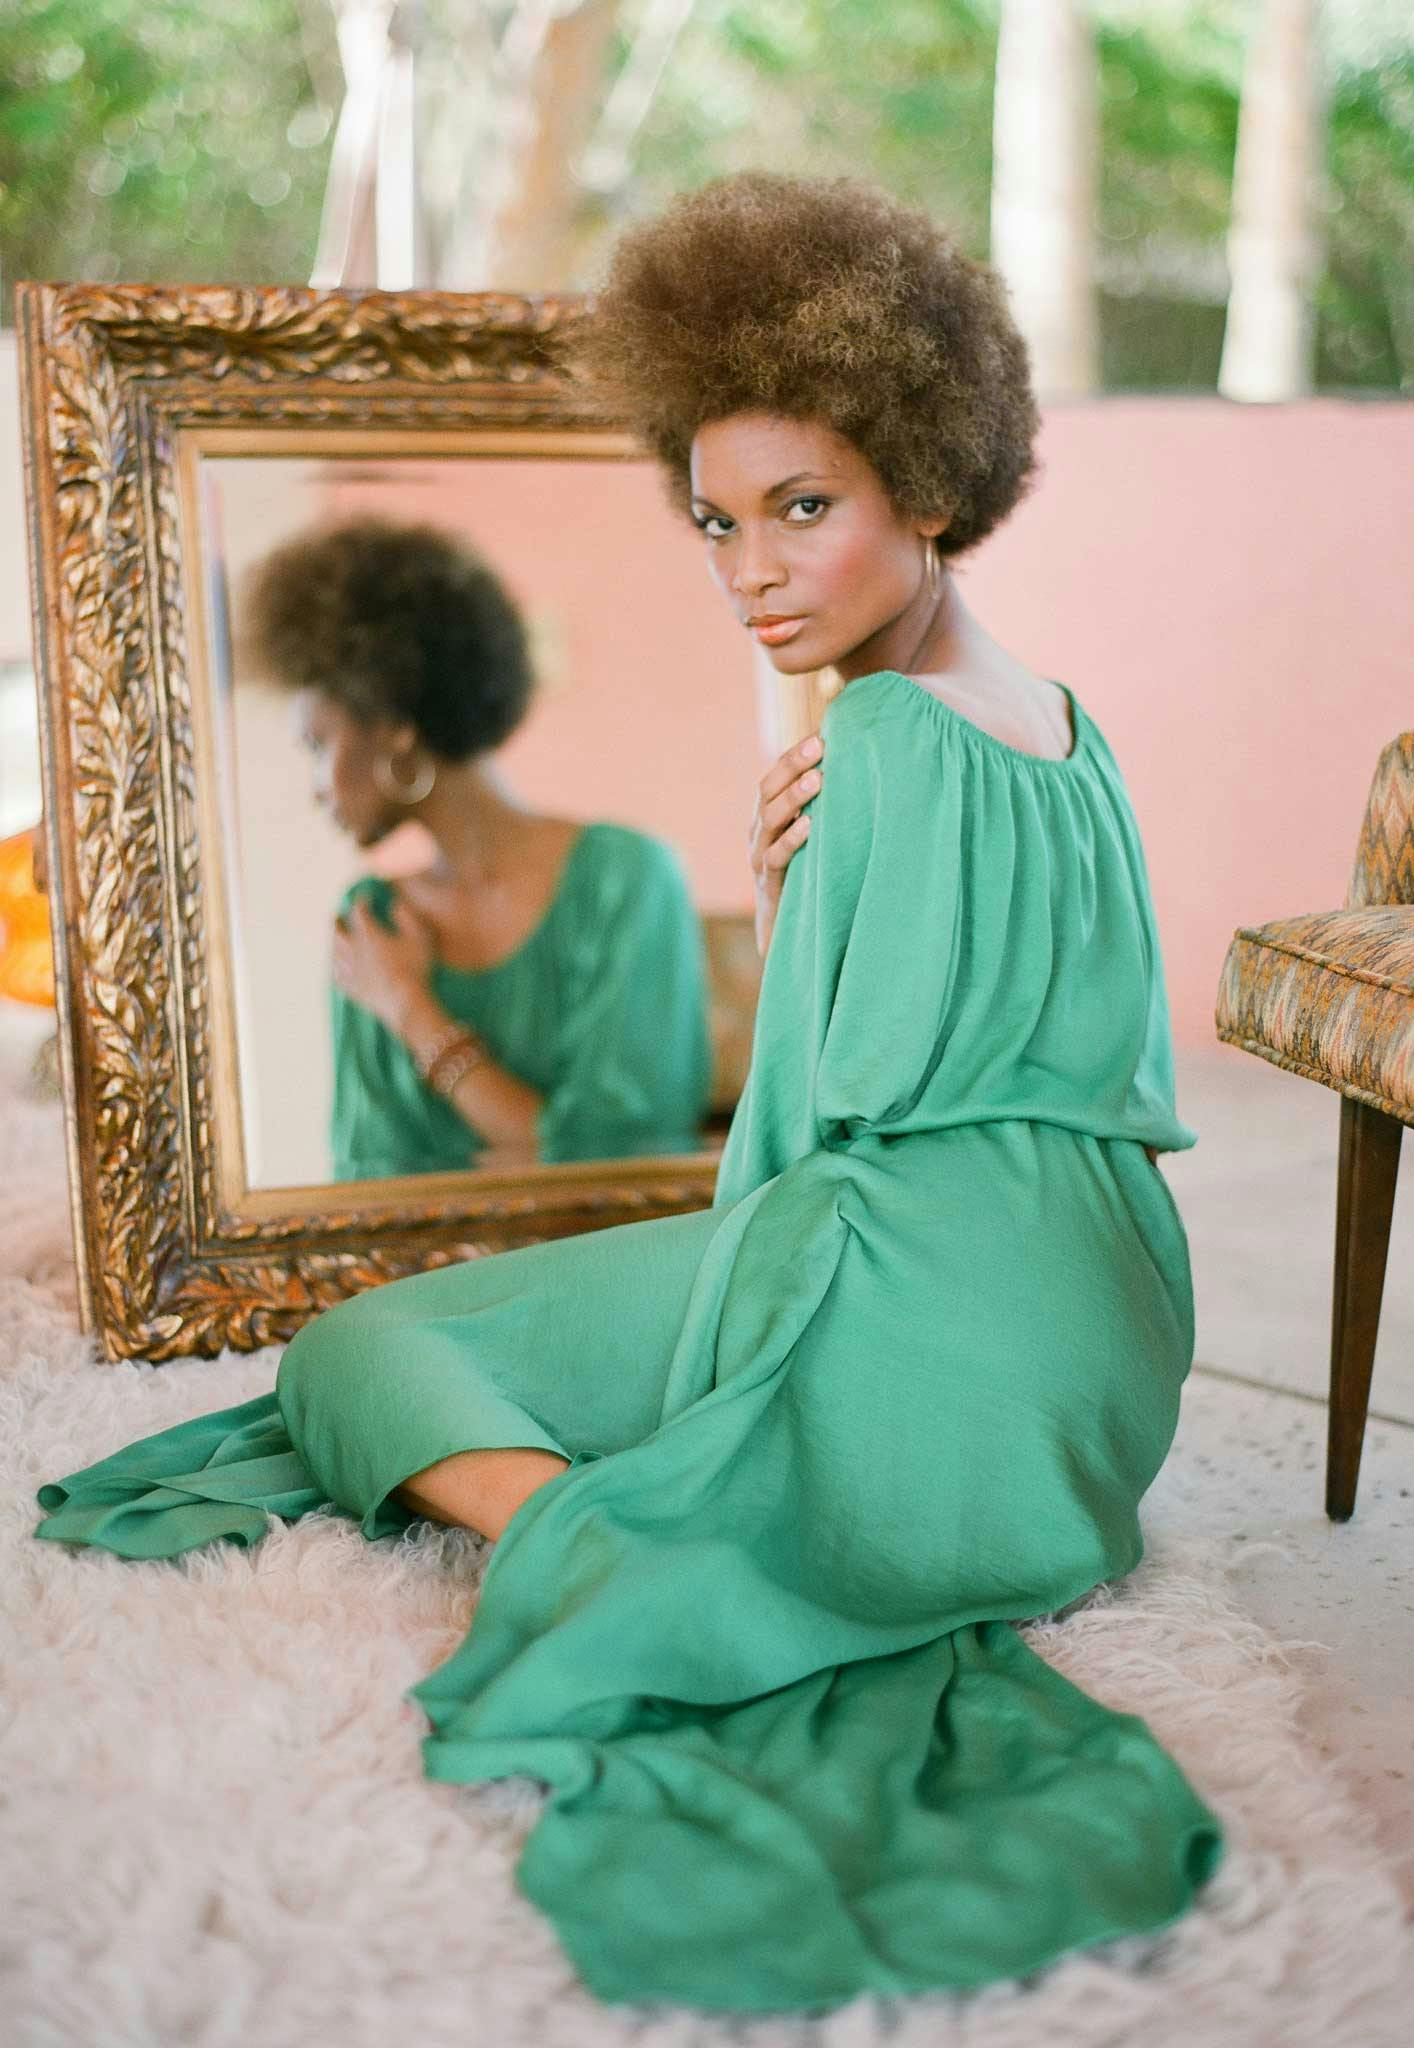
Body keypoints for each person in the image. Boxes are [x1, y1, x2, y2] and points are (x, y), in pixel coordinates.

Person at [36, 174, 1223, 2013]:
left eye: (803, 509)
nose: (751, 567)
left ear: (931, 477)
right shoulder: (1074, 725)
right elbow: (1114, 1058)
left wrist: (798, 880)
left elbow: (825, 1129)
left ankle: (622, 1527)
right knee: (633, 1329)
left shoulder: (880, 737)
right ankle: (724, 1485)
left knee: (363, 1352)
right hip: (1115, 1359)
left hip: (917, 1293)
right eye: (717, 520)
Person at [238, 515, 712, 1175]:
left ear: (394, 727)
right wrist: (528, 1138)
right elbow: (369, 1190)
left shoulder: (626, 880)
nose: (316, 787)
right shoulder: (371, 918)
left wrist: (412, 1010)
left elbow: (615, 1166)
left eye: (319, 745)